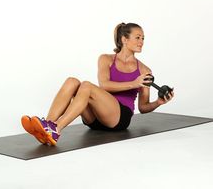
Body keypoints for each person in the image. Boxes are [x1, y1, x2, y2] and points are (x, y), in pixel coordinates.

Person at [21, 22, 174, 146]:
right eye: (138, 37)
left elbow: (143, 107)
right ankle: (47, 126)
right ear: (124, 39)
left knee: (86, 85)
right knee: (72, 81)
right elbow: (104, 85)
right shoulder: (106, 59)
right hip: (95, 118)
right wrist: (134, 83)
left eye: (143, 38)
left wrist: (158, 102)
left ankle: (57, 128)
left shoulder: (145, 70)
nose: (141, 42)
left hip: (119, 118)